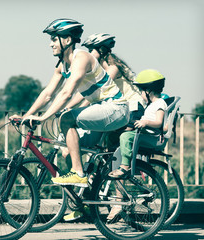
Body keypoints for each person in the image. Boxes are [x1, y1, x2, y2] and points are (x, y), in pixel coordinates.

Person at [11, 18, 130, 188]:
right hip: (101, 110)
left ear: (67, 40)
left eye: (54, 39)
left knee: (67, 119)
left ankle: (78, 174)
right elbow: (47, 94)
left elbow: (66, 93)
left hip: (115, 108)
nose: (50, 44)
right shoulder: (62, 65)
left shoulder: (81, 57)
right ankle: (83, 198)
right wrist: (27, 115)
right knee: (67, 148)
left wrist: (44, 117)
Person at [62, 33, 147, 221]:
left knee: (112, 152)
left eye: (92, 50)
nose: (88, 54)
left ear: (101, 51)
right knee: (85, 150)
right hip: (112, 111)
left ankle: (118, 200)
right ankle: (87, 193)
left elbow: (88, 94)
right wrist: (70, 109)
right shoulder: (96, 67)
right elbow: (90, 95)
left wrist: (69, 108)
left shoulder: (113, 69)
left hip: (132, 110)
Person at [106, 69, 167, 221]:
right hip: (146, 135)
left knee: (126, 136)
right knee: (119, 134)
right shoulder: (152, 104)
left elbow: (159, 122)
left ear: (149, 90)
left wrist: (146, 122)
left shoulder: (160, 103)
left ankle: (124, 166)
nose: (140, 94)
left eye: (141, 90)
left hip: (151, 138)